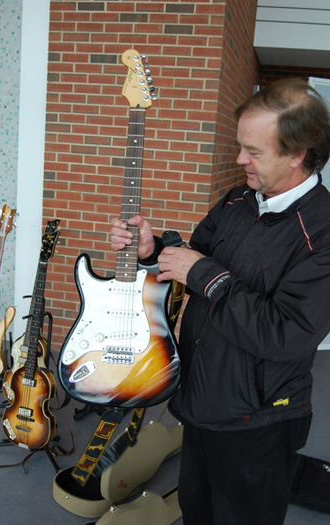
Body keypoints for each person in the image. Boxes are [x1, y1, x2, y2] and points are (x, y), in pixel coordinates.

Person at [110, 78, 330, 525]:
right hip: (202, 397)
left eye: (254, 151)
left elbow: (285, 333)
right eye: (240, 146)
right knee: (197, 510)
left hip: (259, 421)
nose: (239, 160)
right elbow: (195, 261)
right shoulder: (238, 200)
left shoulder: (323, 233)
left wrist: (204, 274)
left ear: (297, 154)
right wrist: (153, 250)